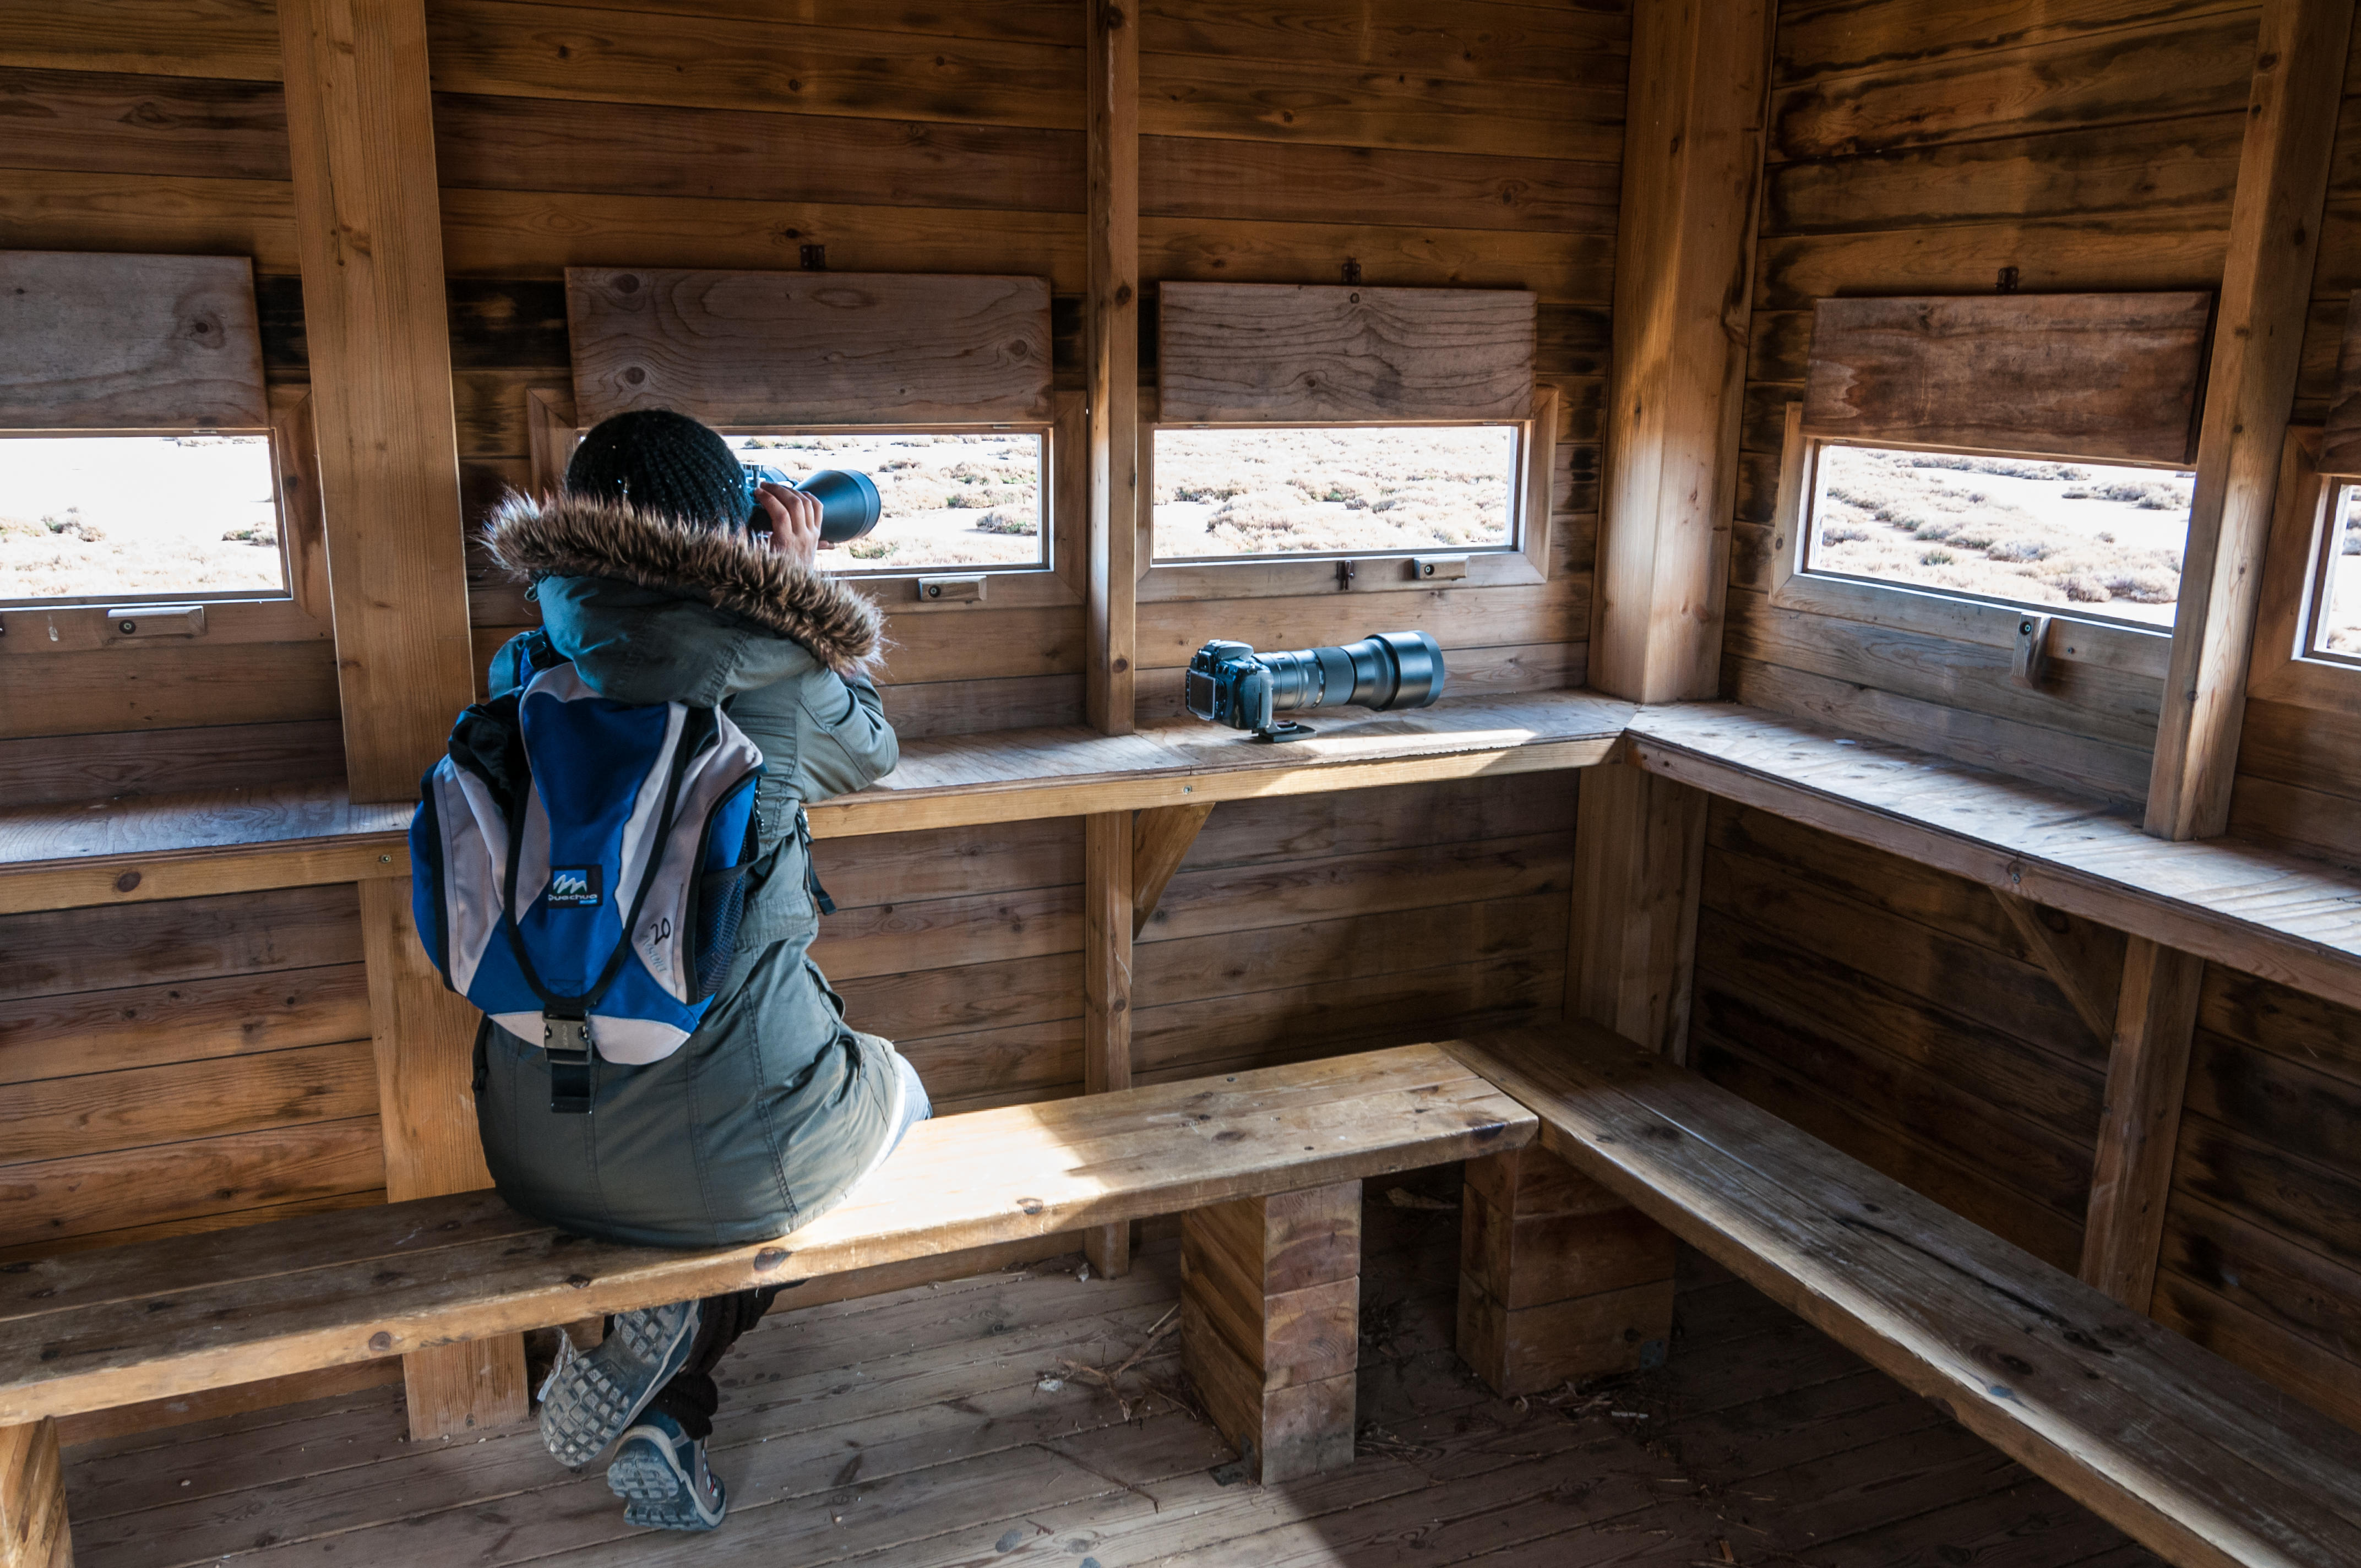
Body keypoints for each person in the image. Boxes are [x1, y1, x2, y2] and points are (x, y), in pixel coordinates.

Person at [474, 409, 927, 1531]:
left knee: (745, 1096)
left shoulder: (525, 660)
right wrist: (798, 588)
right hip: (729, 1156)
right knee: (901, 1094)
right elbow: (870, 749)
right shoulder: (769, 673)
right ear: (730, 527)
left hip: (526, 1135)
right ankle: (682, 1343)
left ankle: (672, 1395)